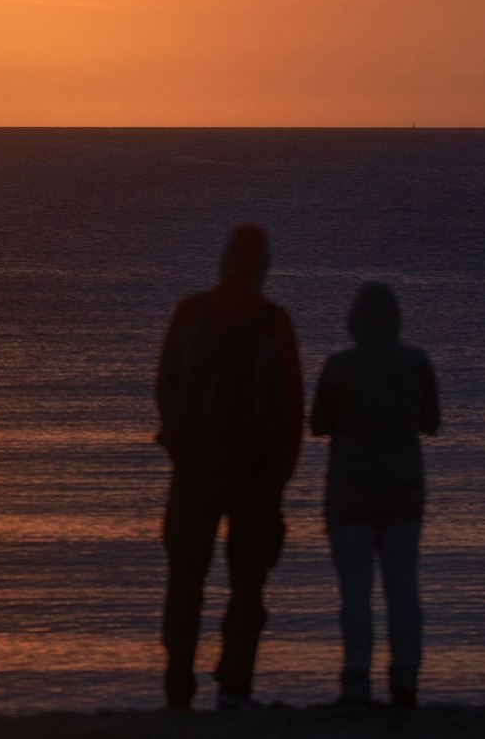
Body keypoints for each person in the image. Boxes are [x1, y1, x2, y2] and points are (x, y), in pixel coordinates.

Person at [154, 224, 304, 712]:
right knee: (246, 583)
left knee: (186, 580)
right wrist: (281, 473)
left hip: (197, 466)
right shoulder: (274, 323)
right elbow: (291, 407)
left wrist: (178, 441)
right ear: (262, 267)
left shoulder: (190, 314)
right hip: (255, 472)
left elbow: (165, 387)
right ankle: (235, 684)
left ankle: (179, 682)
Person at [309, 282, 440, 710]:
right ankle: (405, 681)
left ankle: (355, 682)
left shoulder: (338, 366)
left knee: (355, 591)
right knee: (403, 588)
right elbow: (432, 422)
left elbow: (318, 424)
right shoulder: (416, 362)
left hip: (349, 490)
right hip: (403, 489)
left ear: (354, 320)